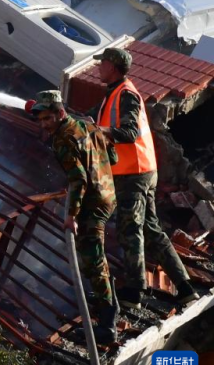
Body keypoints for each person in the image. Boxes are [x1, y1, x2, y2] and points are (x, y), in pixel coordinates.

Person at [90, 47, 199, 309]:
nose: (98, 68)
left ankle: (134, 291)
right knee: (150, 230)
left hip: (134, 174)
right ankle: (184, 287)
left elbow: (128, 132)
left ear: (113, 66)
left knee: (130, 230)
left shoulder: (126, 94)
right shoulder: (116, 93)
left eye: (101, 63)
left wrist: (100, 131)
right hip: (139, 172)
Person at [29, 90, 119, 343]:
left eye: (48, 118)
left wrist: (71, 215)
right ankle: (109, 302)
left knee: (93, 259)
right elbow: (113, 156)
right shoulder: (86, 125)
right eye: (41, 120)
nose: (45, 125)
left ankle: (107, 325)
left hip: (92, 202)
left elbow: (78, 179)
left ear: (60, 113)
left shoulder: (62, 139)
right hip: (108, 194)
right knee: (95, 257)